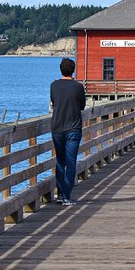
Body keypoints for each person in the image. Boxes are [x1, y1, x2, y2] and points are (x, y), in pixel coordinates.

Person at [50, 58, 86, 206]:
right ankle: (66, 196)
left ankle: (59, 194)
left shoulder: (53, 85)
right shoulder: (78, 87)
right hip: (73, 128)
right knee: (70, 162)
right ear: (73, 70)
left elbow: (53, 102)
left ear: (60, 70)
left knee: (60, 161)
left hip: (57, 127)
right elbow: (82, 106)